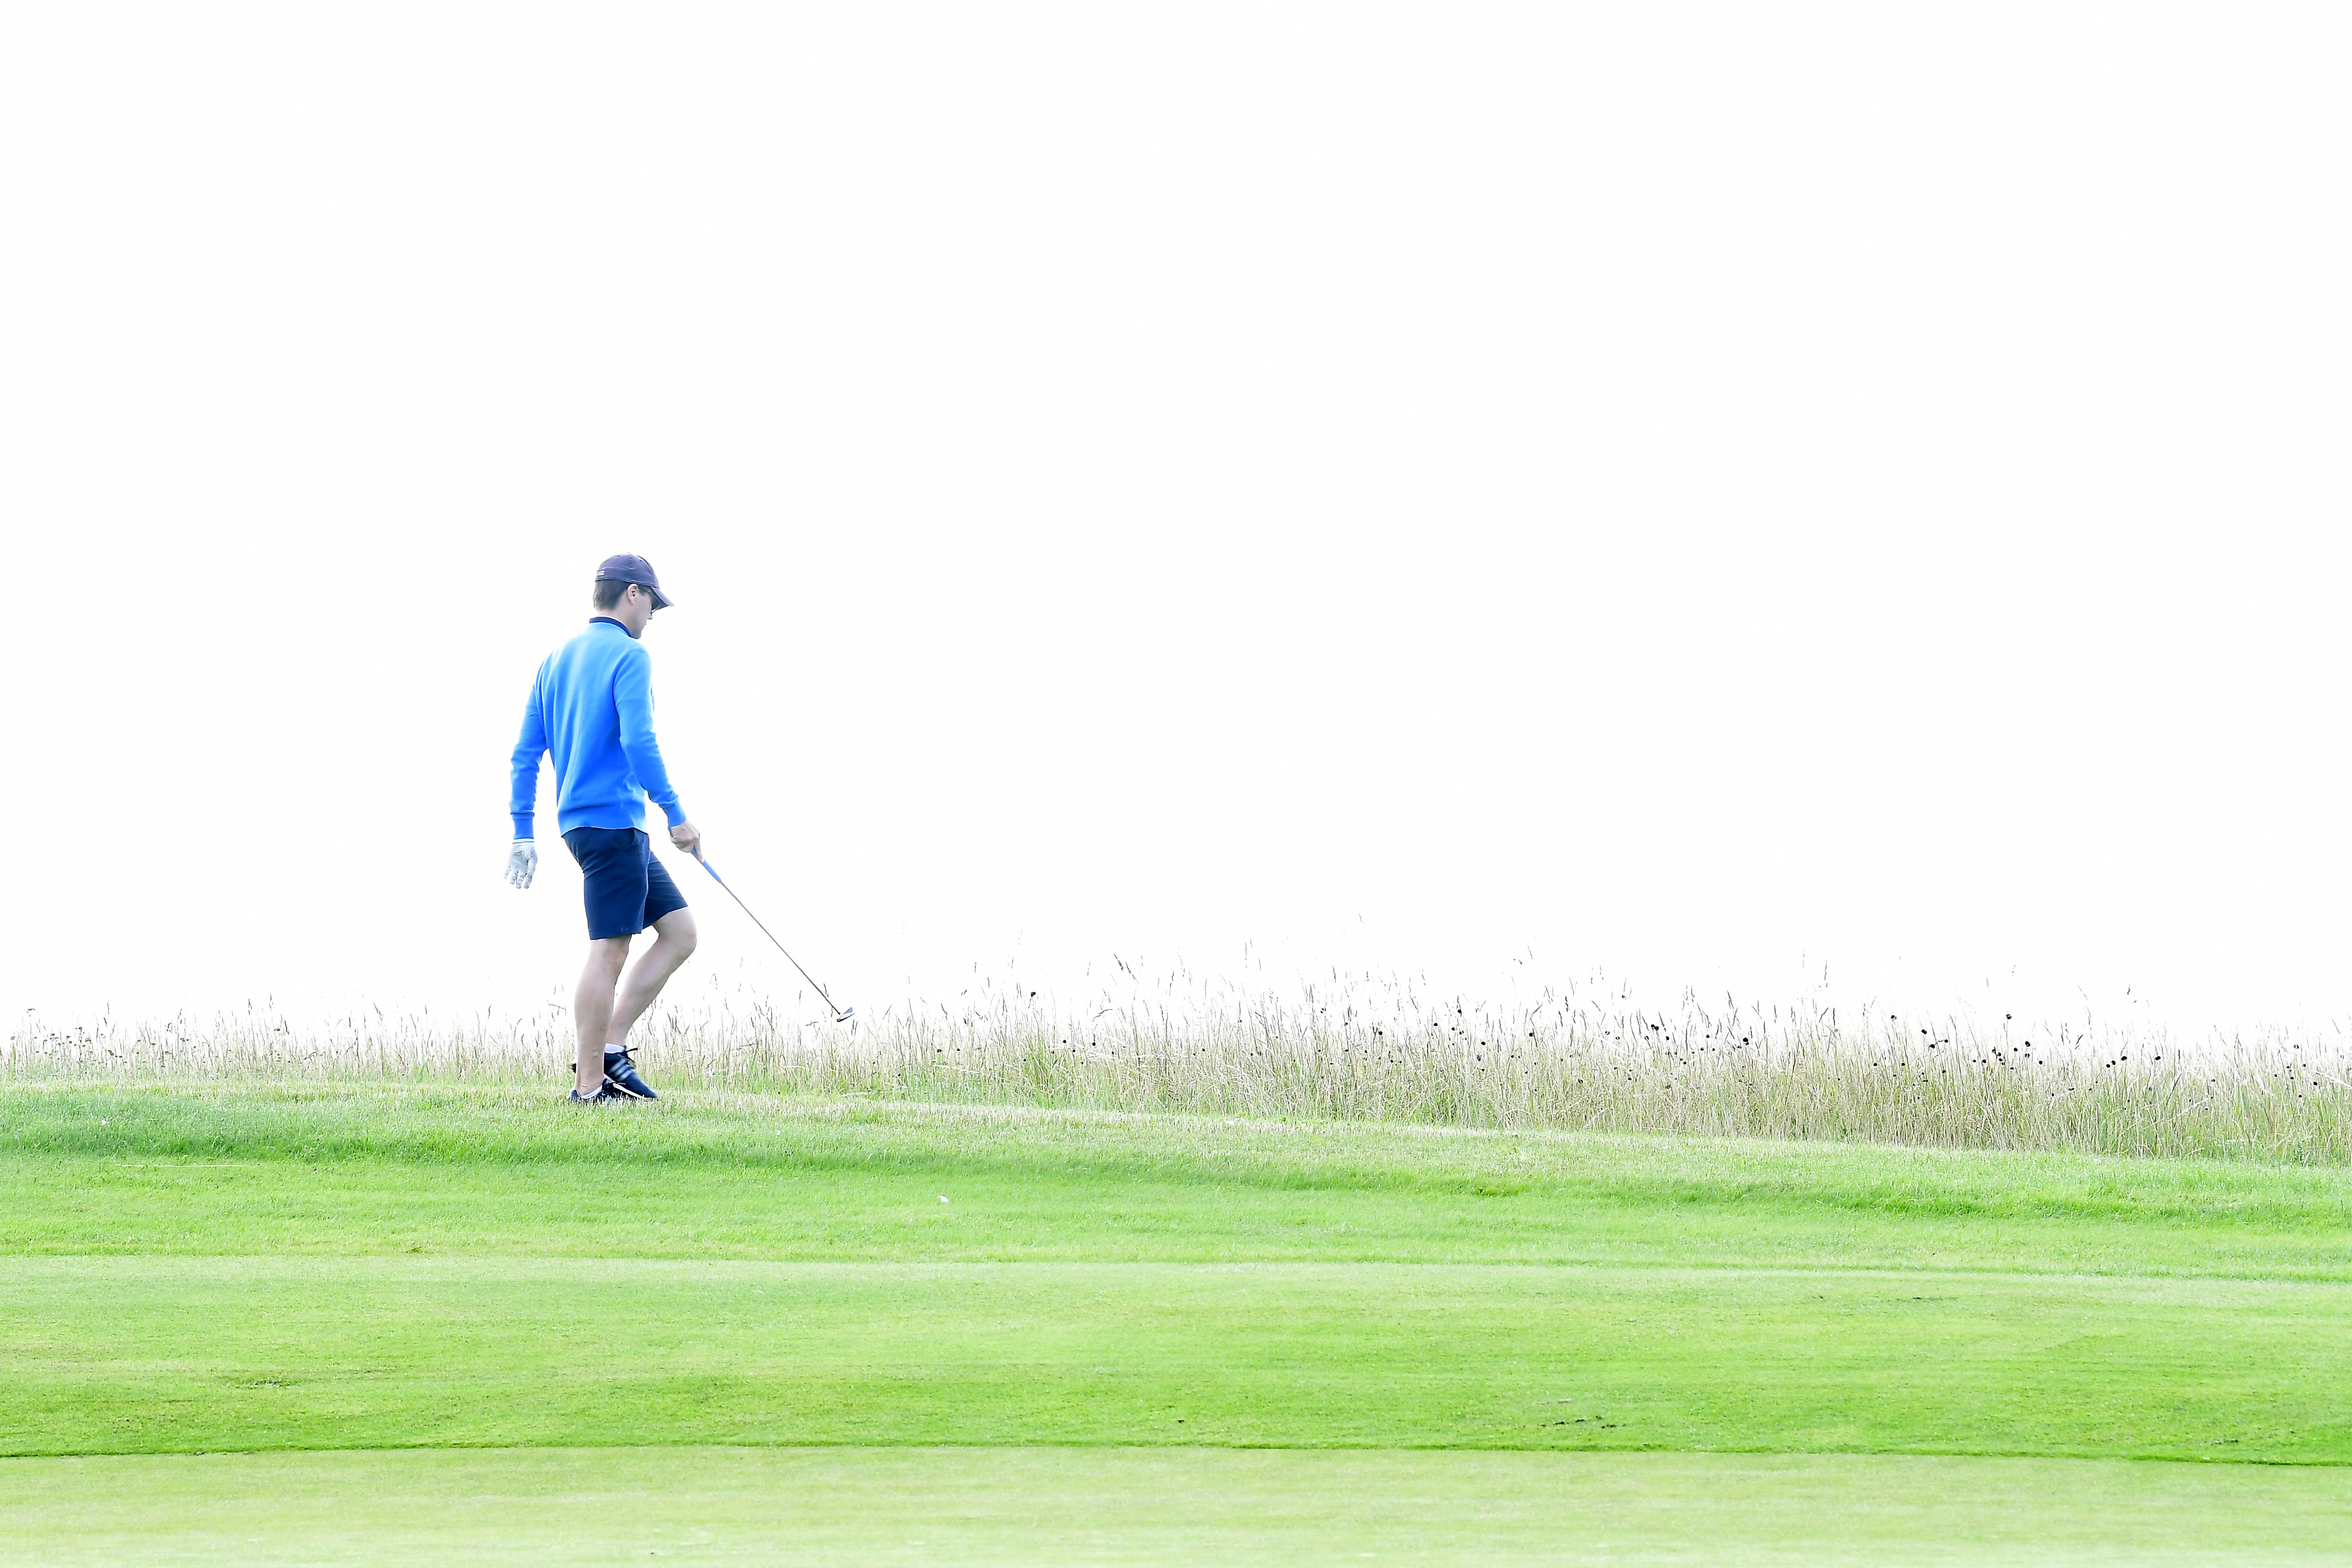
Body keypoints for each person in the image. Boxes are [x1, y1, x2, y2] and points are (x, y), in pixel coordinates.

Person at [504, 554, 701, 1102]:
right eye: (653, 604)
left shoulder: (557, 658)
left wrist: (525, 830)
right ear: (632, 595)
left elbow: (526, 753)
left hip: (594, 826)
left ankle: (611, 1049)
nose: (654, 617)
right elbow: (640, 742)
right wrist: (676, 813)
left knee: (681, 932)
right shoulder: (630, 657)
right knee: (609, 951)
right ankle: (589, 1086)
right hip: (614, 824)